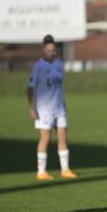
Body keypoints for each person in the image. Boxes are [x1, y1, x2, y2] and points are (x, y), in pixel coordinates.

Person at [27, 35, 77, 180]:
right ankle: (41, 172)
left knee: (63, 136)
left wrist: (64, 104)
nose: (52, 53)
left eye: (54, 50)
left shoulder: (59, 65)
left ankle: (65, 170)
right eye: (49, 50)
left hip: (59, 107)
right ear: (44, 51)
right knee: (45, 138)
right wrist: (31, 107)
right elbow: (30, 88)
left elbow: (59, 87)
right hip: (44, 109)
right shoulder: (38, 67)